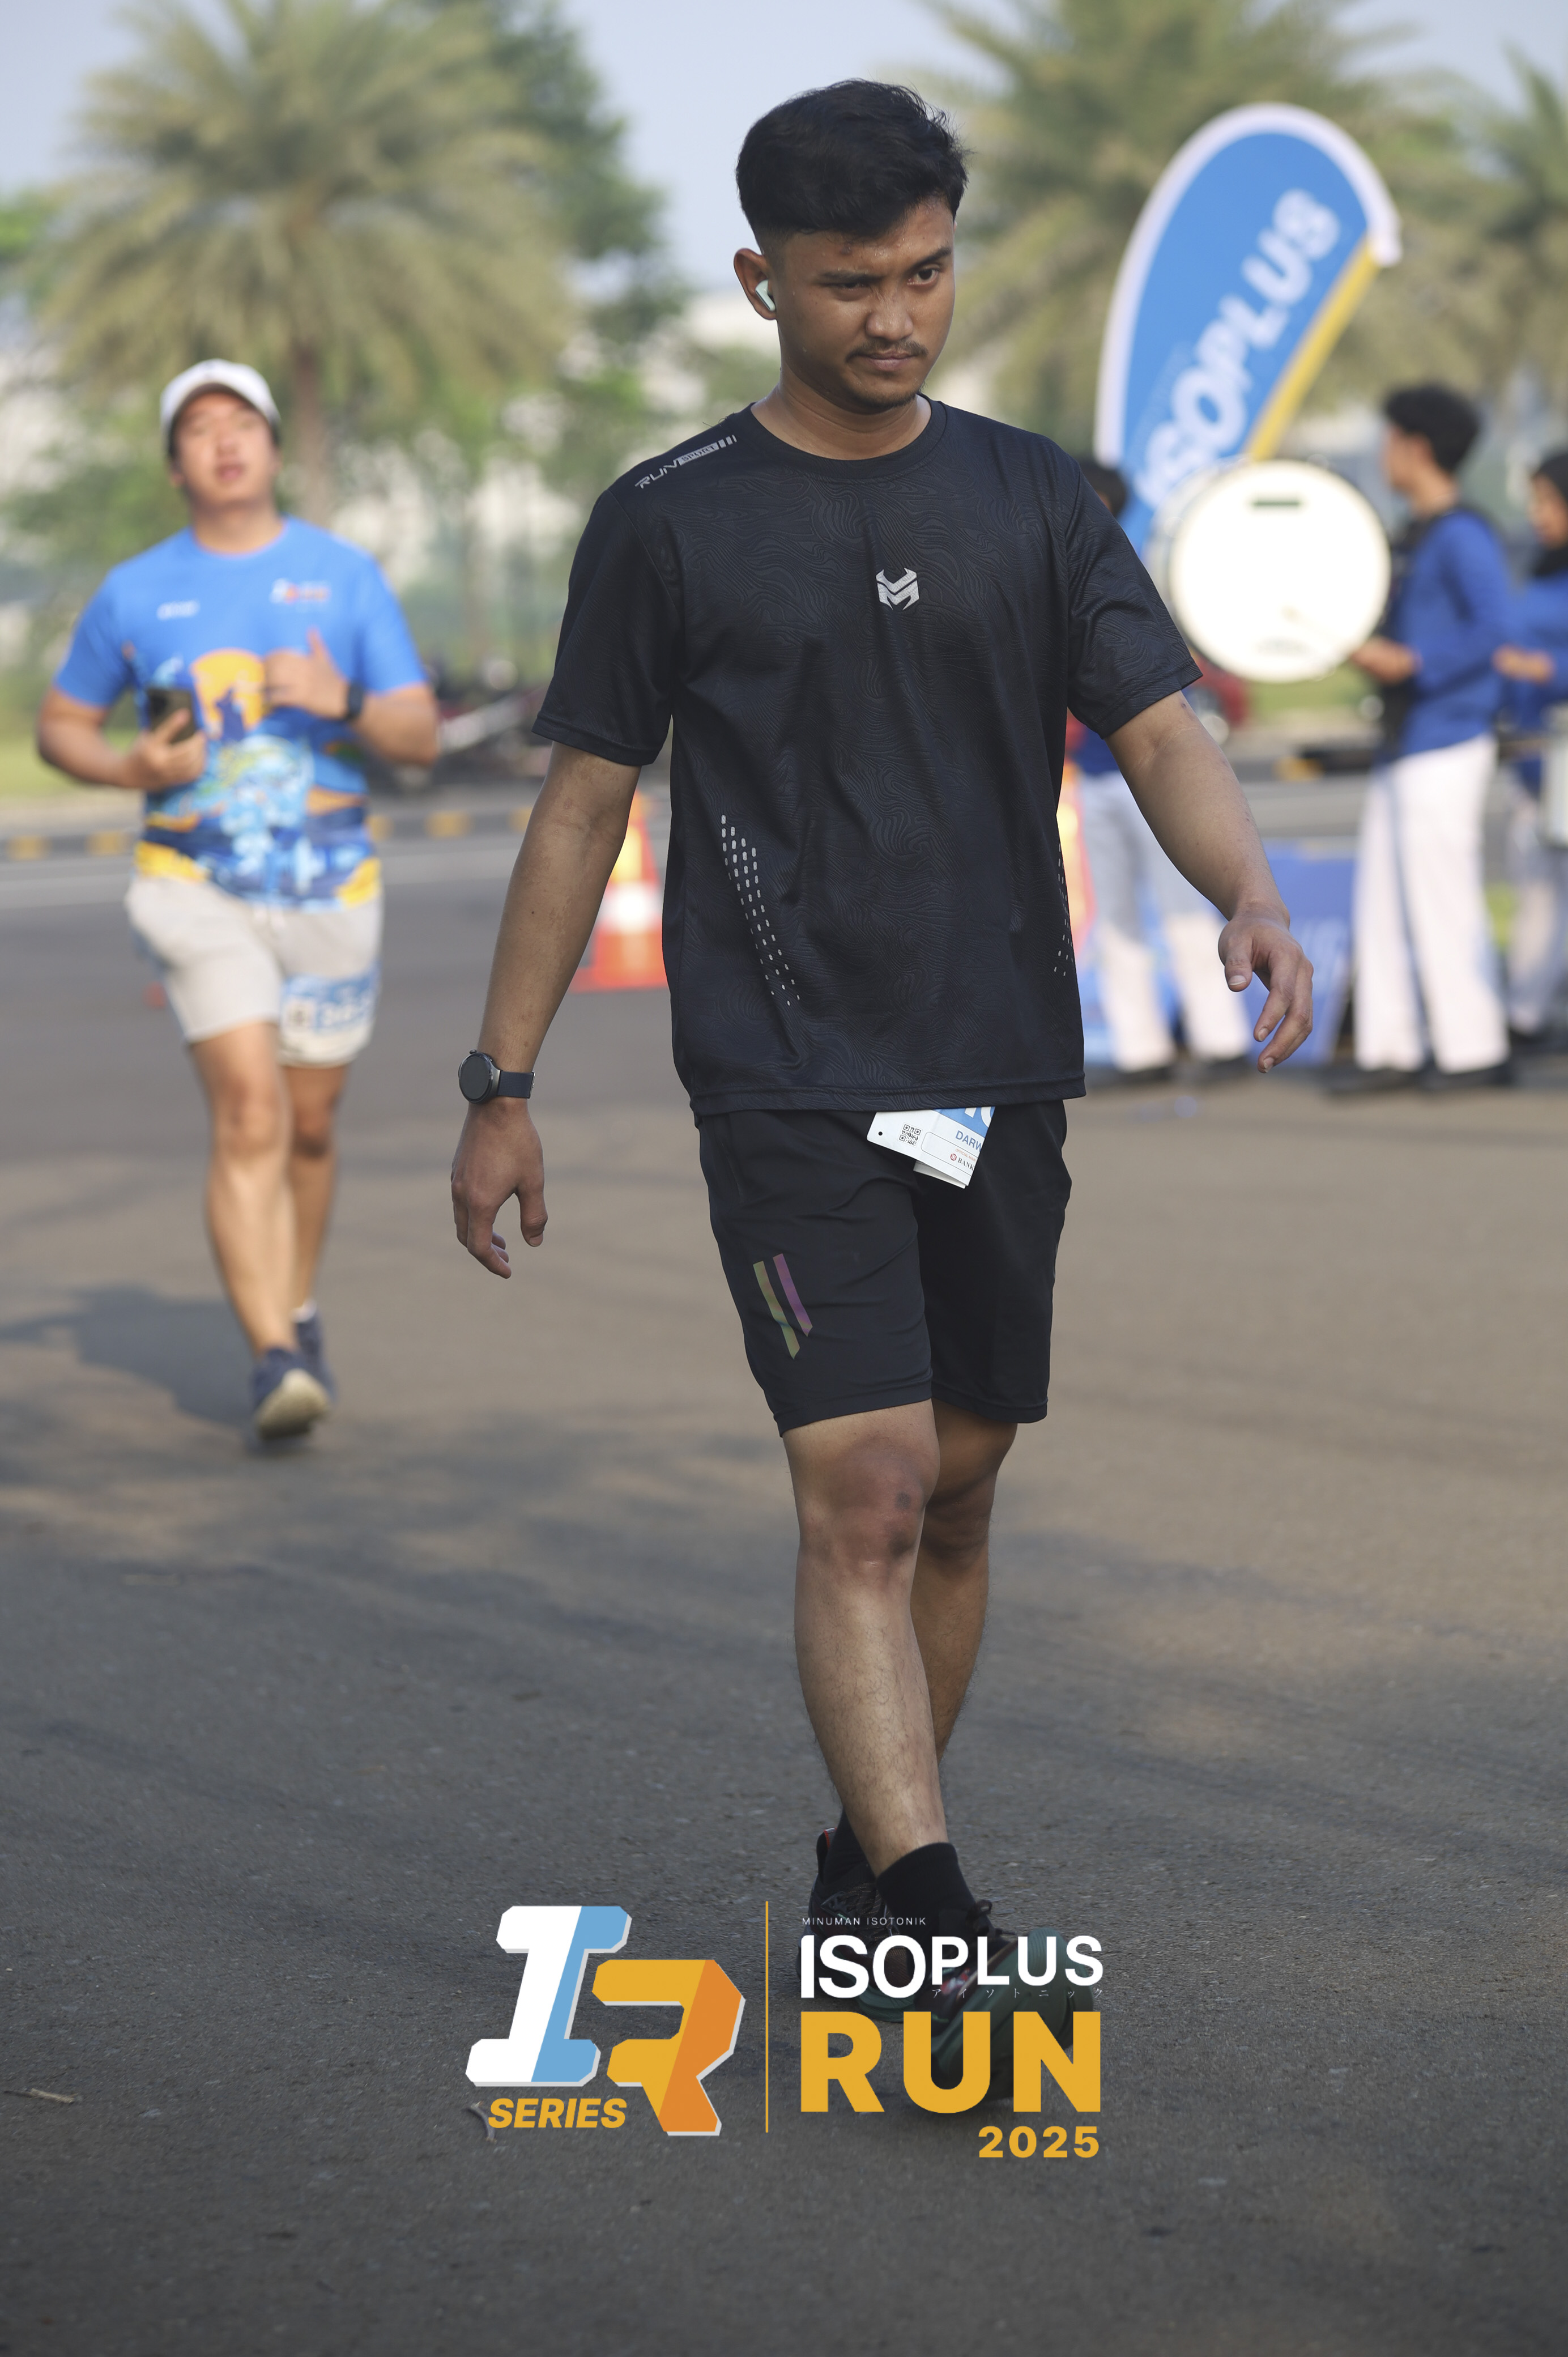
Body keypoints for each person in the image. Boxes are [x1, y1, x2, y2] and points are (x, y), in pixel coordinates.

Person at [449, 83, 1312, 2077]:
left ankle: (861, 1858)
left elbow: (1157, 728)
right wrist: (502, 1076)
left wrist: (1250, 892)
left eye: (924, 274)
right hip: (781, 1079)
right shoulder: (667, 520)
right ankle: (929, 1918)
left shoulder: (1027, 497)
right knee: (868, 1486)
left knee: (961, 1486)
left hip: (993, 1064)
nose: (895, 317)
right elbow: (581, 803)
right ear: (761, 279)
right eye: (850, 284)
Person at [38, 360, 438, 1439]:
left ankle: (294, 1307)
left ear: (271, 447)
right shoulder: (133, 592)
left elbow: (417, 736)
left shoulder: (343, 576)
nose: (223, 442)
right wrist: (128, 767)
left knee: (309, 1125)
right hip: (192, 883)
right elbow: (62, 725)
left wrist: (341, 700)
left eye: (242, 424)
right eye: (199, 429)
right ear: (176, 465)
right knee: (250, 1111)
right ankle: (272, 1356)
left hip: (330, 884)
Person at [1341, 384, 1512, 1092]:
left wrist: (1413, 661)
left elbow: (1492, 628)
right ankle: (1390, 1050)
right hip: (1407, 739)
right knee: (1380, 901)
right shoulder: (1415, 532)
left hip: (1446, 738)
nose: (1381, 453)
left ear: (1415, 448)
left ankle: (1473, 1049)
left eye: (1387, 439)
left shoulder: (1461, 534)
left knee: (1441, 898)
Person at [1070, 458, 1251, 1079]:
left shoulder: (1136, 572)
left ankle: (1220, 1041)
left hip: (1149, 770)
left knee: (1182, 908)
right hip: (1095, 769)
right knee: (1116, 916)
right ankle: (1139, 1049)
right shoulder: (1055, 573)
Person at [1493, 450, 1568, 1048]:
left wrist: (1543, 668)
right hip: (1533, 762)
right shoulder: (1537, 569)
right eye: (1535, 500)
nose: (1538, 513)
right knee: (1537, 889)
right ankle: (1525, 1013)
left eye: (1549, 499)